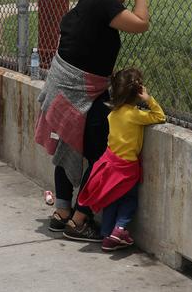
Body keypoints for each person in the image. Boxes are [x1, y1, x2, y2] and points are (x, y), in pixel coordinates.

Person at [35, 0, 149, 242]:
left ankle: (62, 212)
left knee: (67, 146)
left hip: (62, 91)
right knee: (101, 158)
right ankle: (79, 219)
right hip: (82, 93)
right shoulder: (101, 4)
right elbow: (141, 23)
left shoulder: (79, 9)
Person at [76, 68, 165, 251]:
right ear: (137, 92)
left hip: (109, 163)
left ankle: (107, 235)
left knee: (112, 199)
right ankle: (120, 229)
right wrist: (148, 99)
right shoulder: (135, 115)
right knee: (129, 200)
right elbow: (159, 117)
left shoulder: (112, 114)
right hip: (126, 167)